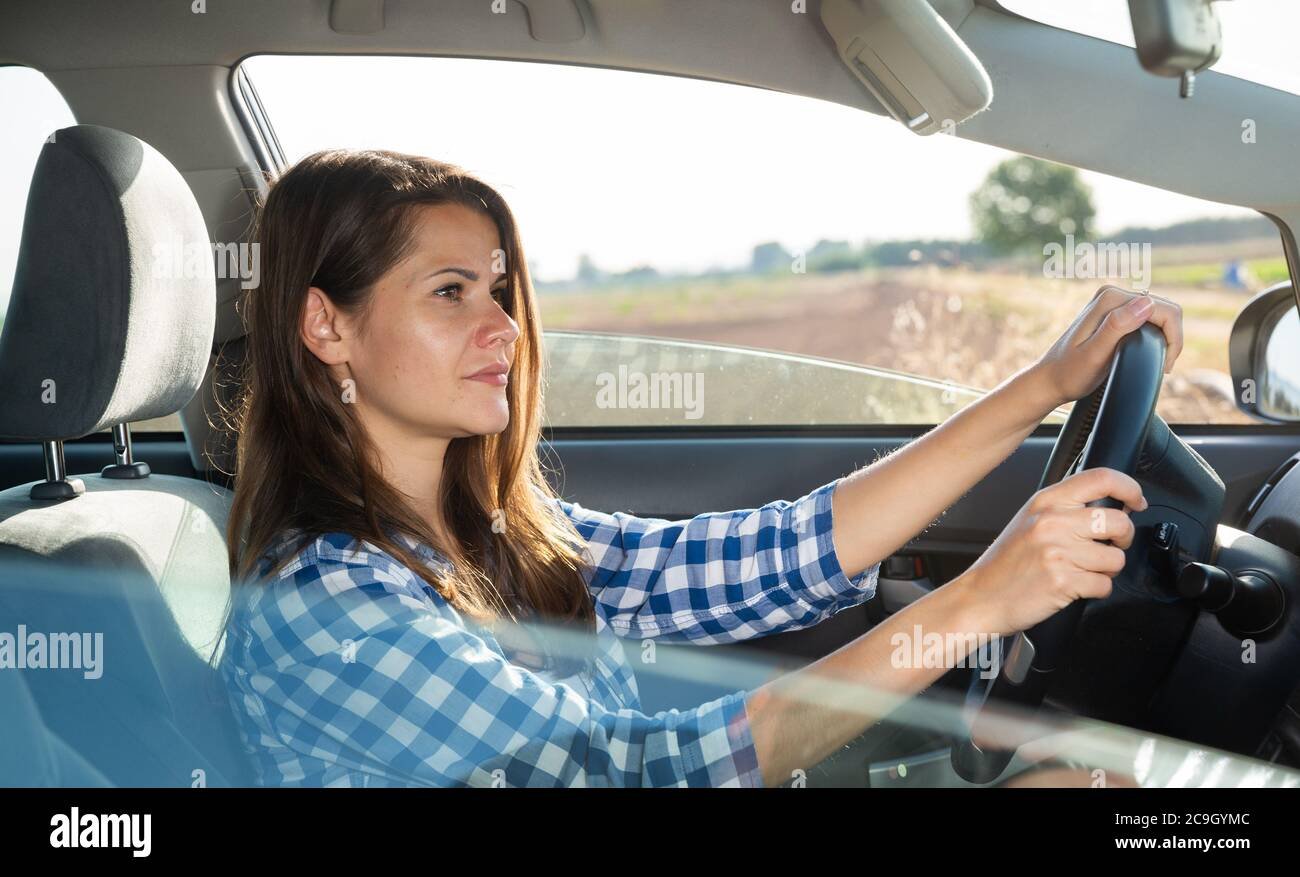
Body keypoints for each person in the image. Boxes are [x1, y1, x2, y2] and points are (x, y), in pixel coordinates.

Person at [218, 149, 1183, 787]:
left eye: (500, 292)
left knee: (1093, 777)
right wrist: (972, 606)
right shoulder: (328, 605)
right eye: (450, 292)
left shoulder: (495, 535)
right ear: (326, 326)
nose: (504, 328)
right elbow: (640, 772)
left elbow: (777, 554)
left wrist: (1043, 385)